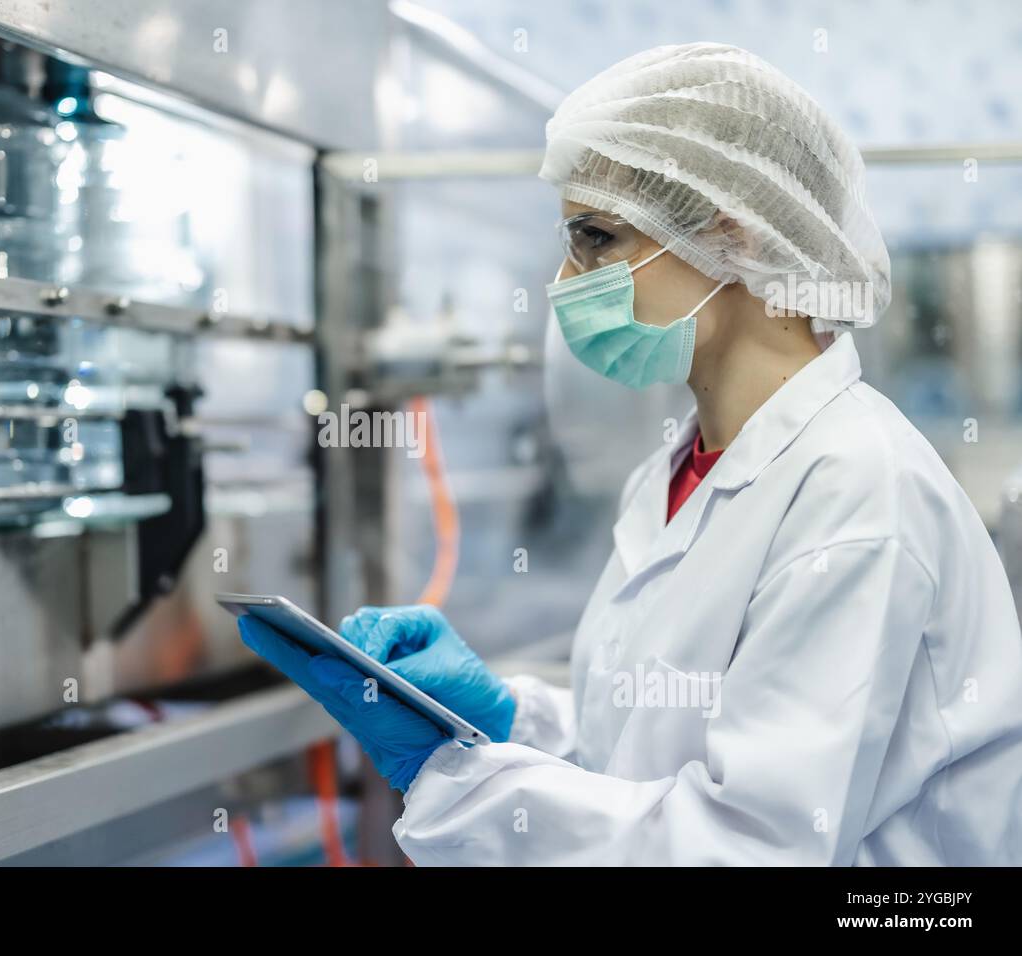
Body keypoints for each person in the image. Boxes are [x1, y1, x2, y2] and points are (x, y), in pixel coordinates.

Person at [238, 42, 1022, 864]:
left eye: (597, 237)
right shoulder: (681, 470)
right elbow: (659, 748)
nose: (566, 279)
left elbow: (750, 848)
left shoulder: (857, 492)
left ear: (736, 235)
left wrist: (455, 778)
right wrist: (509, 723)